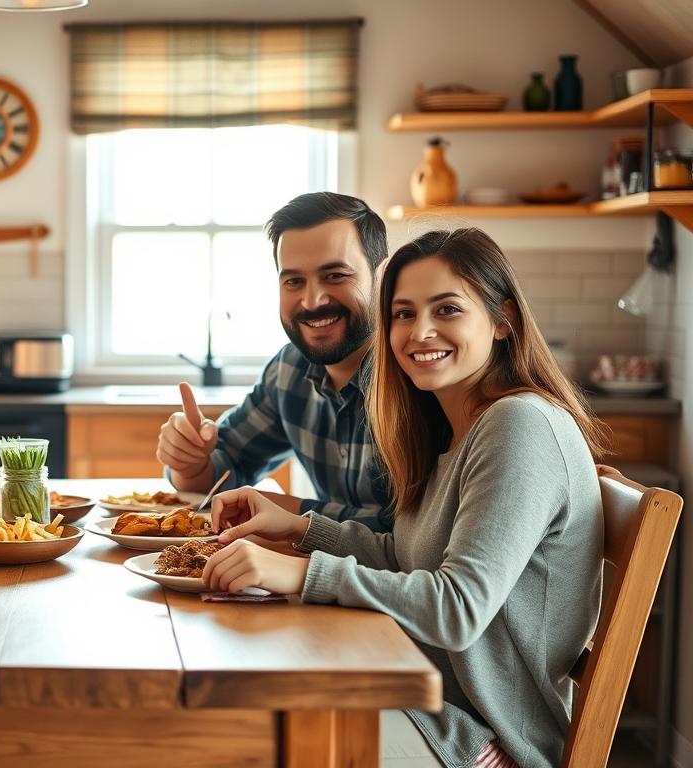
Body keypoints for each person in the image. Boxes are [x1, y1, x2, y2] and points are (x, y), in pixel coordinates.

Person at [203, 228, 605, 767]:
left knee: (239, 729)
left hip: (484, 741)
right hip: (428, 702)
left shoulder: (520, 425)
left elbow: (457, 608)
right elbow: (404, 556)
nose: (421, 331)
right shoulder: (453, 427)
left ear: (503, 319)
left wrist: (299, 574)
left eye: (447, 309)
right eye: (403, 313)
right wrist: (299, 528)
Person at [156, 191, 392, 529]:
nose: (312, 301)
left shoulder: (421, 374)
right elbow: (223, 472)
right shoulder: (290, 369)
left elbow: (419, 537)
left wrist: (291, 512)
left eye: (336, 275)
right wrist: (188, 461)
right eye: (294, 280)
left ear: (383, 276)